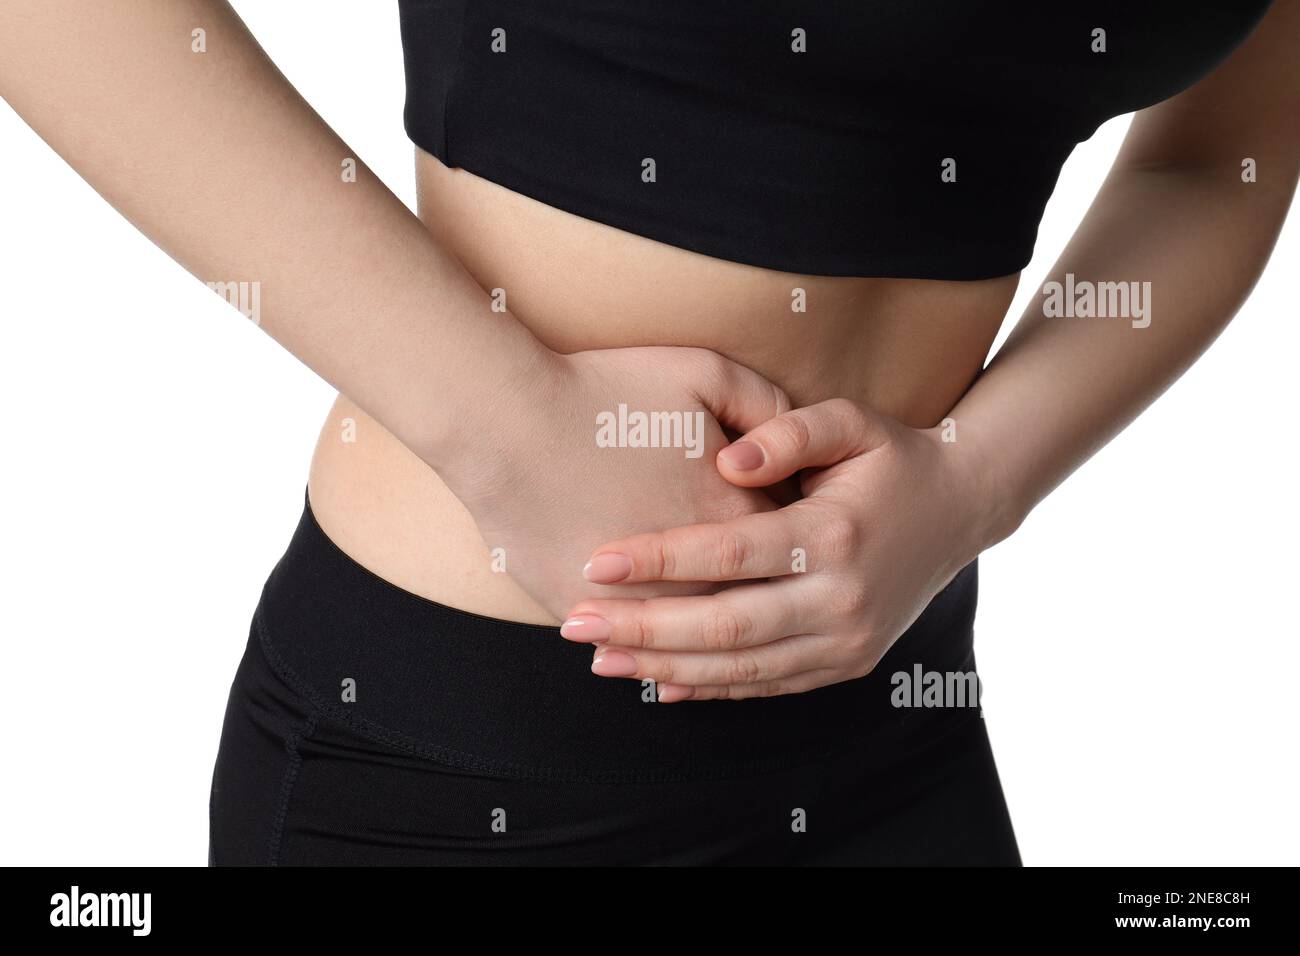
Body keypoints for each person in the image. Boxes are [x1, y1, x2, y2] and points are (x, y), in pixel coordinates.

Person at [2, 0, 1294, 865]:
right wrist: (509, 428)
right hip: (465, 774)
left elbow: (1219, 154)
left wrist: (976, 483)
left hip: (897, 728)